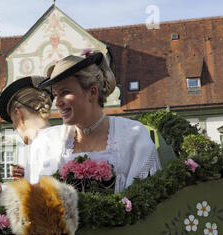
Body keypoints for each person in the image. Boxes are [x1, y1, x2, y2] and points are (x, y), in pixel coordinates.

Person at [25, 51, 161, 193]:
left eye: (65, 92)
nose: (57, 103)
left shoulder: (133, 136)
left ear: (92, 92)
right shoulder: (47, 142)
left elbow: (147, 201)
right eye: (56, 95)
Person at [0, 76, 53, 179]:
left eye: (13, 122)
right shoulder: (63, 138)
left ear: (19, 114)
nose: (14, 128)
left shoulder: (39, 144)